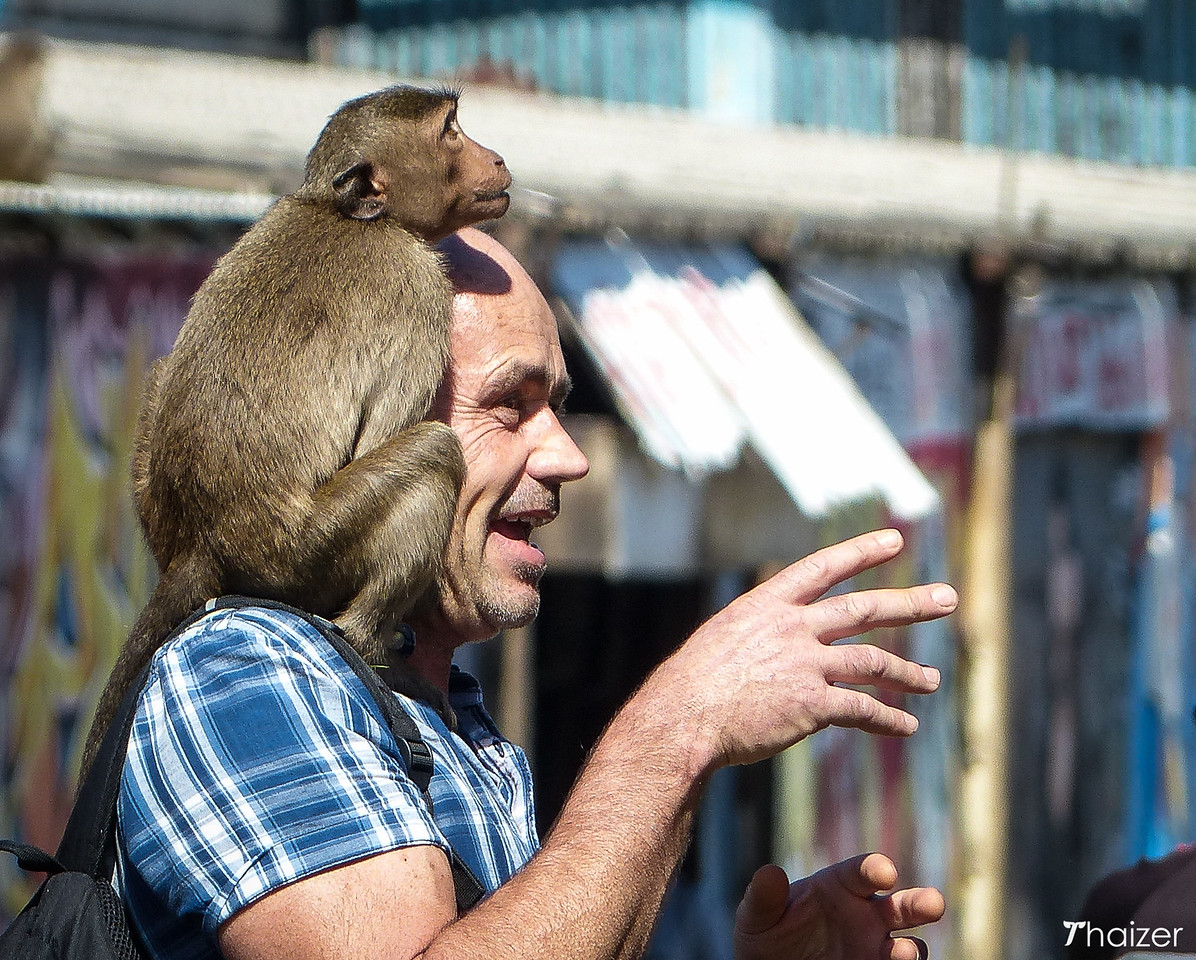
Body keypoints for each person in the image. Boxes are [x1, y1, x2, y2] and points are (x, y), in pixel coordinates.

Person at [115, 227, 959, 960]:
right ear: (369, 432)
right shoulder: (244, 670)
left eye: (555, 405)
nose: (567, 456)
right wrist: (676, 726)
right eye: (509, 407)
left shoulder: (454, 726)